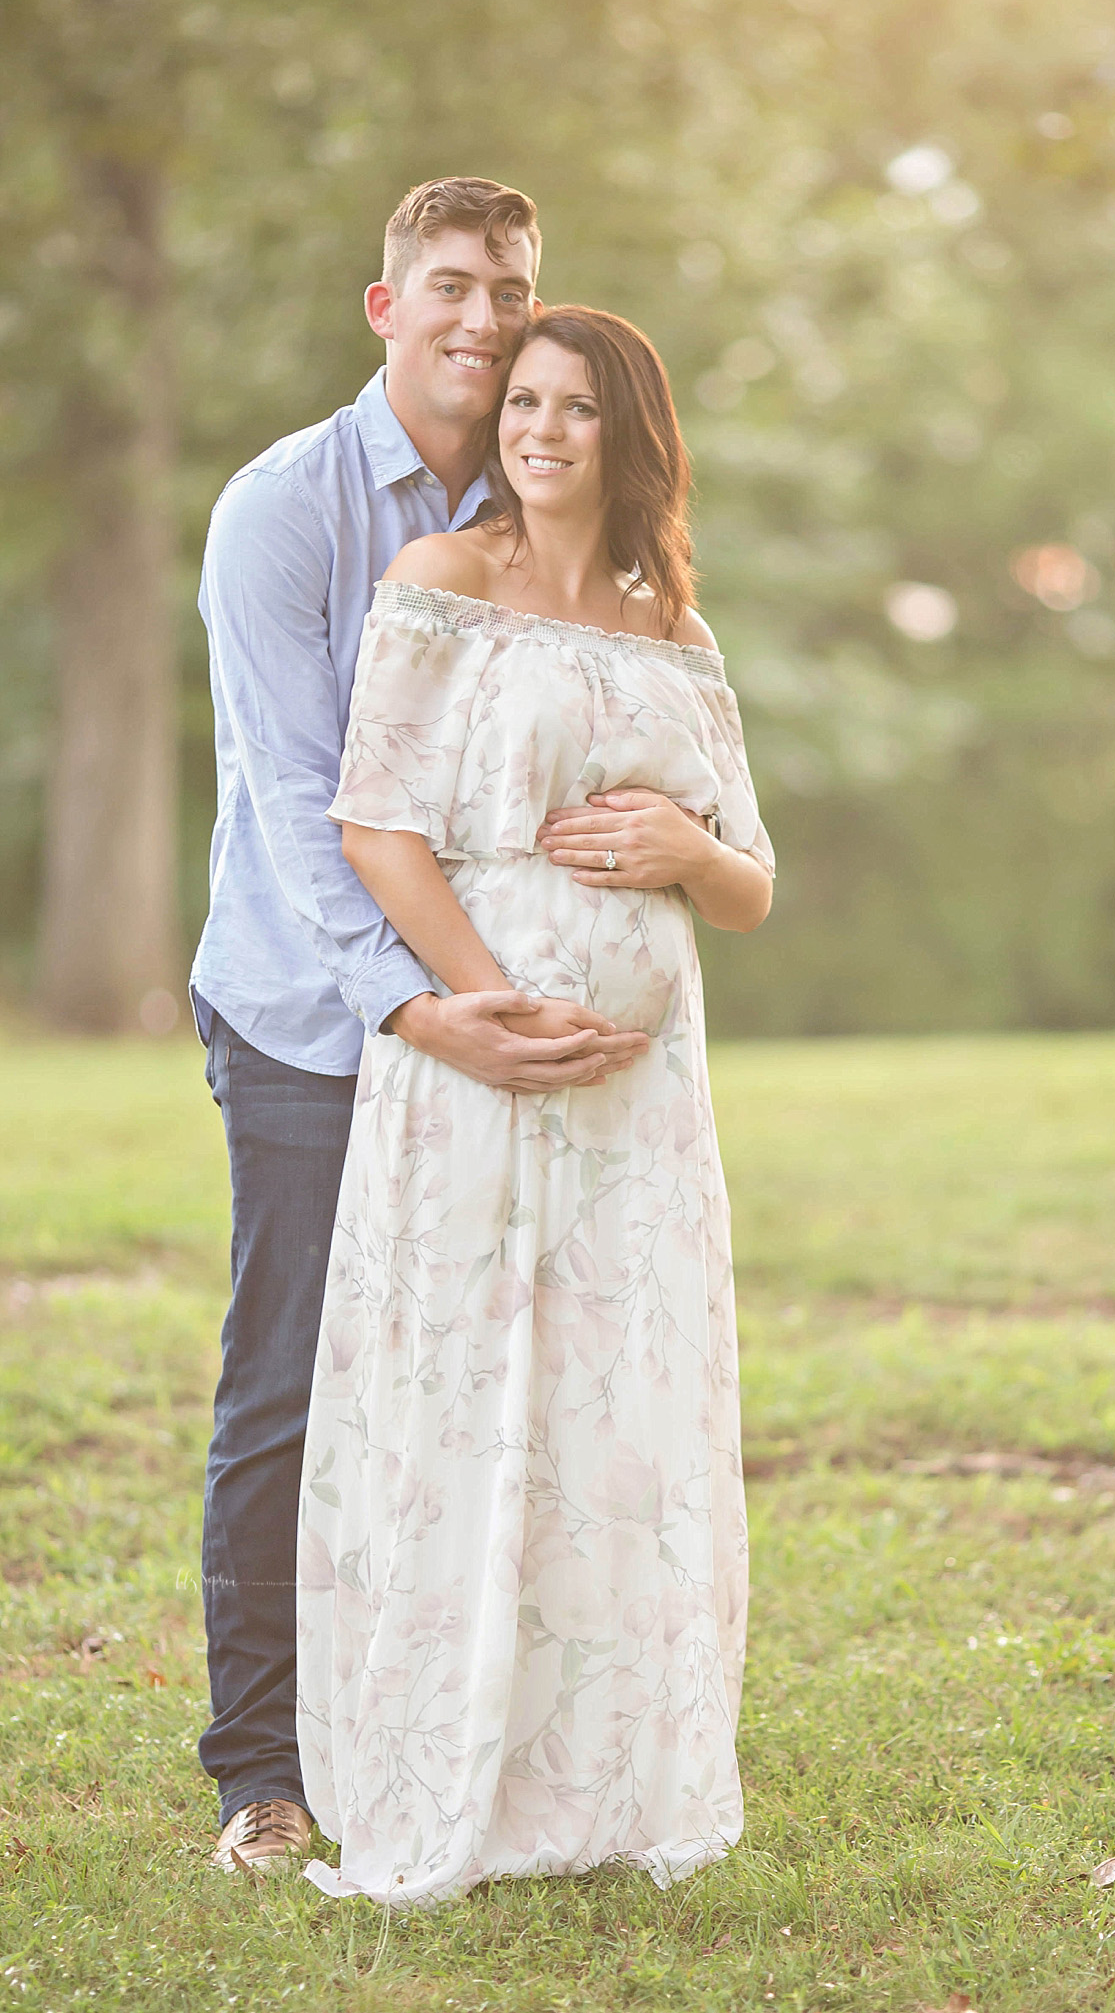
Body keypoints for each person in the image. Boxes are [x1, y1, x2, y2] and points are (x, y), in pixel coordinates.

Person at [192, 180, 649, 1878]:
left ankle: (454, 1739)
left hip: (500, 1020)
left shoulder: (552, 495)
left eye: (509, 289)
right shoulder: (282, 511)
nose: (481, 316)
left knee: (476, 1385)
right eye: (450, 287)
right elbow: (302, 800)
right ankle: (262, 1775)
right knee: (296, 1384)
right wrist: (418, 1004)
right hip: (319, 1017)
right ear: (384, 309)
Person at [294, 305, 774, 1904]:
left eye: (576, 407)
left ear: (629, 433)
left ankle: (609, 1778)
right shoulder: (439, 586)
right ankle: (451, 1767)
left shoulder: (676, 631)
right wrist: (480, 1006)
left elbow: (755, 879)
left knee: (612, 1418)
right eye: (525, 401)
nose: (541, 428)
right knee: (466, 1389)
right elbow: (377, 829)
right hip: (474, 1072)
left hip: (646, 1110)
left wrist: (685, 857)